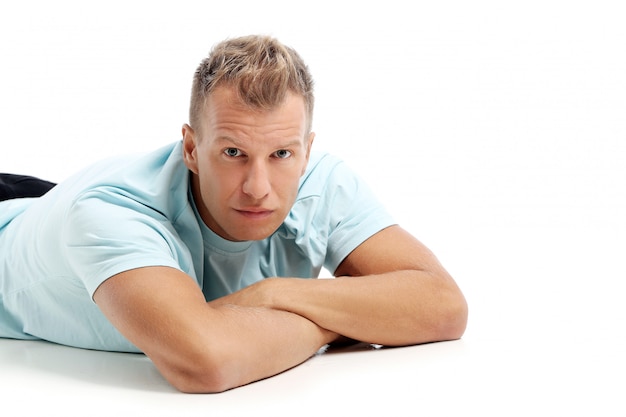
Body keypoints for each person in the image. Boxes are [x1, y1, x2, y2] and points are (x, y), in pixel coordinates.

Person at [0, 35, 468, 393]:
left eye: (281, 154)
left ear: (306, 150)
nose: (258, 188)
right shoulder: (111, 214)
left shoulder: (322, 183)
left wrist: (271, 295)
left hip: (47, 212)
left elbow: (444, 308)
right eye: (232, 152)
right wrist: (352, 317)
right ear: (190, 148)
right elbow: (205, 360)